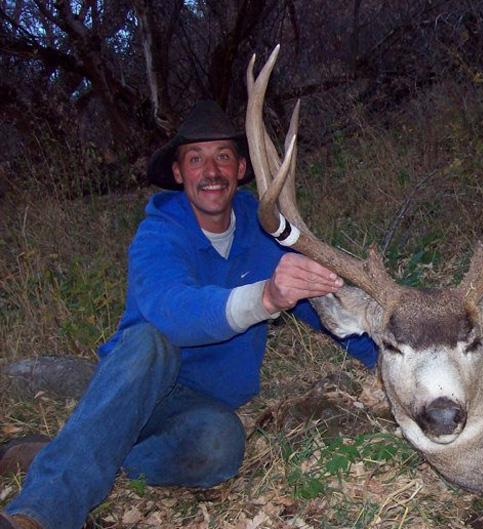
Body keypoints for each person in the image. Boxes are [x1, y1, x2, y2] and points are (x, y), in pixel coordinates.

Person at [0, 101, 377, 529]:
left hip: (202, 405)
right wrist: (265, 297)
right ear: (179, 173)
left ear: (240, 168)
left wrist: (383, 355)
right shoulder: (159, 233)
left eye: (222, 157)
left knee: (220, 447)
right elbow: (171, 311)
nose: (210, 171)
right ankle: (36, 515)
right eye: (195, 159)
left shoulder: (265, 232)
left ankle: (79, 454)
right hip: (136, 384)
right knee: (149, 342)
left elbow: (318, 302)